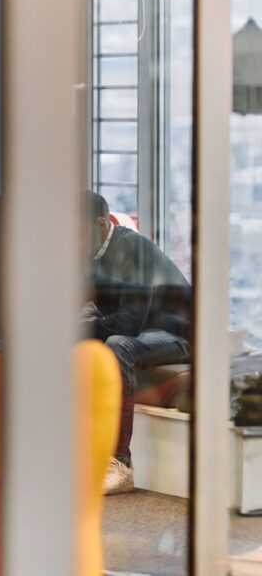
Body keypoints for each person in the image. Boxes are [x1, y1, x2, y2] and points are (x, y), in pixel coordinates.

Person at [83, 191, 191, 495]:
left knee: (118, 345)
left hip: (179, 335)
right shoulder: (90, 253)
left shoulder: (133, 250)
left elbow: (129, 322)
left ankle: (121, 463)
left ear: (100, 224)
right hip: (147, 331)